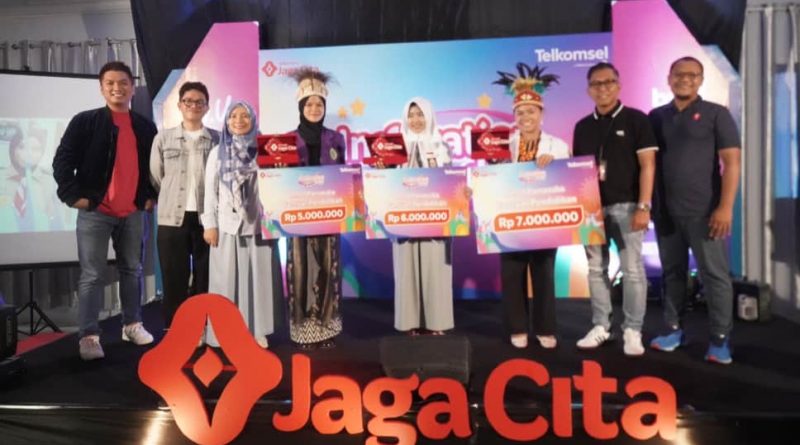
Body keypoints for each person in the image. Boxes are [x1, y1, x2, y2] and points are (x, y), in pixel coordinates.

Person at [52, 61, 157, 360]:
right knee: (92, 275)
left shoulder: (145, 126)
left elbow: (156, 167)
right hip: (95, 212)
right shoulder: (85, 122)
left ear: (132, 87)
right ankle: (89, 336)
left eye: (123, 82)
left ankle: (132, 324)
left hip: (132, 212)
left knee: (132, 270)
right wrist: (73, 197)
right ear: (101, 88)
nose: (117, 88)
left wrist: (150, 196)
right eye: (110, 83)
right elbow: (62, 161)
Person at [648, 56, 741, 364]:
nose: (685, 79)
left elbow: (732, 163)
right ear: (669, 78)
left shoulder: (716, 114)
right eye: (679, 74)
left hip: (706, 213)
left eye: (692, 75)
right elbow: (647, 164)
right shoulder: (656, 117)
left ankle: (720, 340)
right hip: (666, 212)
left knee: (714, 277)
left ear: (701, 80)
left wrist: (725, 207)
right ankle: (674, 330)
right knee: (672, 274)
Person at [572, 62, 658, 357]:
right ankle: (601, 326)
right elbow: (577, 171)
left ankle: (633, 330)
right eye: (596, 84)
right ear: (588, 90)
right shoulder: (582, 126)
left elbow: (648, 165)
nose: (603, 88)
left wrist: (644, 206)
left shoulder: (637, 120)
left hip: (628, 205)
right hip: (592, 210)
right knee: (596, 269)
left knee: (632, 270)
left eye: (608, 82)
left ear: (619, 86)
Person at [493, 63, 570, 349]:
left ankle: (545, 328)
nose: (526, 117)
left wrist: (554, 165)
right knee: (512, 274)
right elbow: (489, 178)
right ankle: (517, 327)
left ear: (541, 114)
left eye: (531, 111)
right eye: (520, 112)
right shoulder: (503, 145)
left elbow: (569, 180)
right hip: (510, 220)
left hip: (543, 220)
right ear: (514, 116)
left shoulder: (557, 146)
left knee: (543, 274)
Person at [201, 101, 283, 348]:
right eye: (233, 116)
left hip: (260, 225)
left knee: (259, 279)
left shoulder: (266, 149)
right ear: (226, 121)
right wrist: (209, 224)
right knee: (225, 281)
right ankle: (224, 333)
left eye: (244, 116)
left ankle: (257, 330)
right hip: (228, 226)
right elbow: (210, 192)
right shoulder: (217, 153)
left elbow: (278, 185)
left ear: (253, 120)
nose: (238, 120)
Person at [286, 67, 347, 349]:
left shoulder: (336, 139)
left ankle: (327, 328)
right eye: (309, 104)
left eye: (319, 104)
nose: (314, 109)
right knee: (301, 271)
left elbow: (344, 176)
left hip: (328, 215)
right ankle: (304, 332)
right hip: (297, 217)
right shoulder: (286, 141)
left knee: (328, 269)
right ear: (301, 106)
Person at [150, 82, 219, 328]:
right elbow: (156, 176)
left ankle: (203, 327)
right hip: (172, 218)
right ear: (179, 105)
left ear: (207, 107)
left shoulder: (217, 139)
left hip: (207, 220)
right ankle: (176, 329)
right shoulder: (163, 138)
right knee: (173, 277)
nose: (193, 105)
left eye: (199, 102)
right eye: (188, 101)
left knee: (205, 276)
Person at [392, 97, 455, 335]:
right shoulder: (395, 147)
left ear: (429, 116)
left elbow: (451, 179)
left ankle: (437, 323)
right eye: (411, 115)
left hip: (435, 218)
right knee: (406, 268)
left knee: (435, 268)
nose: (416, 120)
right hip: (404, 219)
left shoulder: (442, 146)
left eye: (420, 114)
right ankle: (409, 323)